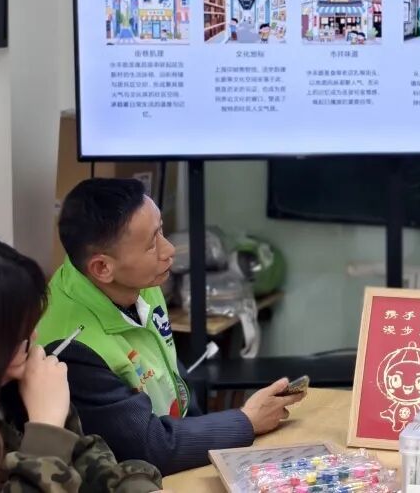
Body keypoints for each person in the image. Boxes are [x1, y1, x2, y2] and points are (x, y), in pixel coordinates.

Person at [39, 178, 305, 474]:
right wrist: (246, 420)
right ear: (102, 267)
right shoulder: (71, 347)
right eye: (152, 244)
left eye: (161, 231)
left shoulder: (137, 280)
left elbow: (173, 379)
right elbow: (148, 446)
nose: (169, 250)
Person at [0, 228, 162, 491]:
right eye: (16, 334)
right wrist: (46, 427)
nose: (32, 337)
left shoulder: (13, 382)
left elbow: (88, 463)